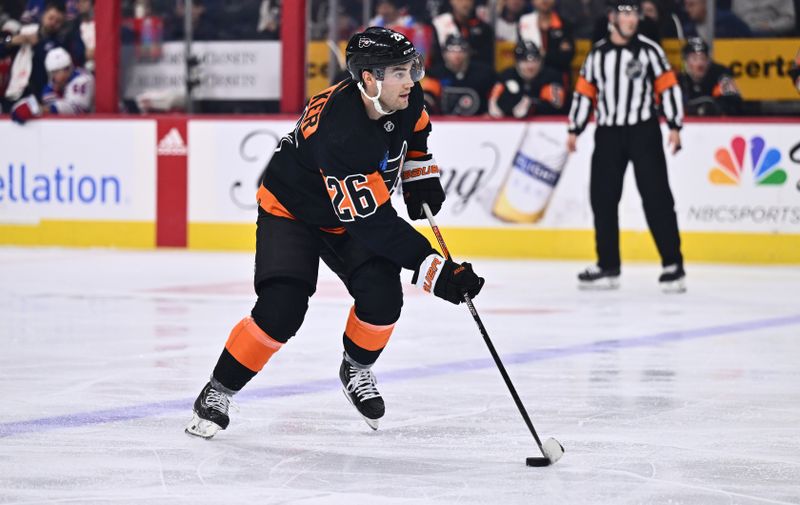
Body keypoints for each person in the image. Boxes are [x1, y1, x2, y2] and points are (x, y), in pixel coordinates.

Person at [185, 27, 485, 439]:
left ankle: (356, 369)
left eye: (411, 68)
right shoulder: (341, 133)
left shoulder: (407, 96)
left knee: (382, 300)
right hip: (292, 210)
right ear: (368, 79)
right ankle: (217, 391)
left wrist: (419, 173)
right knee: (282, 309)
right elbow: (374, 225)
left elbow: (417, 129)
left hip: (348, 211)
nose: (411, 80)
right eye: (399, 72)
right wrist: (437, 272)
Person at [567, 0, 686, 293]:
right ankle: (608, 266)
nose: (631, 19)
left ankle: (673, 265)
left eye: (634, 13)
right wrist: (575, 128)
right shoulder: (597, 54)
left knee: (656, 196)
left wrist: (674, 125)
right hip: (608, 133)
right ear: (612, 17)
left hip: (643, 131)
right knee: (602, 199)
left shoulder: (650, 50)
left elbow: (667, 87)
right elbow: (585, 92)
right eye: (625, 13)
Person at [9, 46, 93, 123]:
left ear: (69, 68)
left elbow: (76, 109)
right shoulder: (50, 87)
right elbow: (54, 116)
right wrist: (30, 105)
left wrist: (39, 108)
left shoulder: (83, 79)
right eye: (53, 72)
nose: (55, 76)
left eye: (58, 71)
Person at [488, 39, 566, 117]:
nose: (530, 66)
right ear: (517, 62)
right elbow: (496, 104)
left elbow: (556, 107)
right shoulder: (507, 76)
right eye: (524, 61)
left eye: (535, 60)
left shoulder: (552, 76)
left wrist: (532, 105)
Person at [423, 33, 497, 115]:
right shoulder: (435, 73)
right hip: (444, 124)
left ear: (469, 52)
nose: (457, 55)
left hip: (478, 123)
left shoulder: (483, 73)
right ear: (444, 53)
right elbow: (427, 97)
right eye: (452, 50)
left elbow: (495, 95)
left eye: (461, 49)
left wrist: (491, 112)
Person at [678, 37, 742, 116]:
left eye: (703, 58)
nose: (700, 64)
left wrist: (716, 108)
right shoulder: (678, 80)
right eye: (694, 59)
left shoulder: (721, 75)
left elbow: (735, 105)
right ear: (685, 62)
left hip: (719, 124)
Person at [517, 0, 575, 85]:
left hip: (558, 80)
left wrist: (542, 54)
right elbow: (520, 54)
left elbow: (566, 57)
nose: (544, 0)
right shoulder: (524, 22)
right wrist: (552, 54)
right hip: (530, 80)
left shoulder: (565, 25)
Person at [429, 0, 495, 68]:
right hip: (445, 74)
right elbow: (435, 60)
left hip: (476, 74)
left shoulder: (484, 29)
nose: (465, 3)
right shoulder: (439, 25)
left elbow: (487, 61)